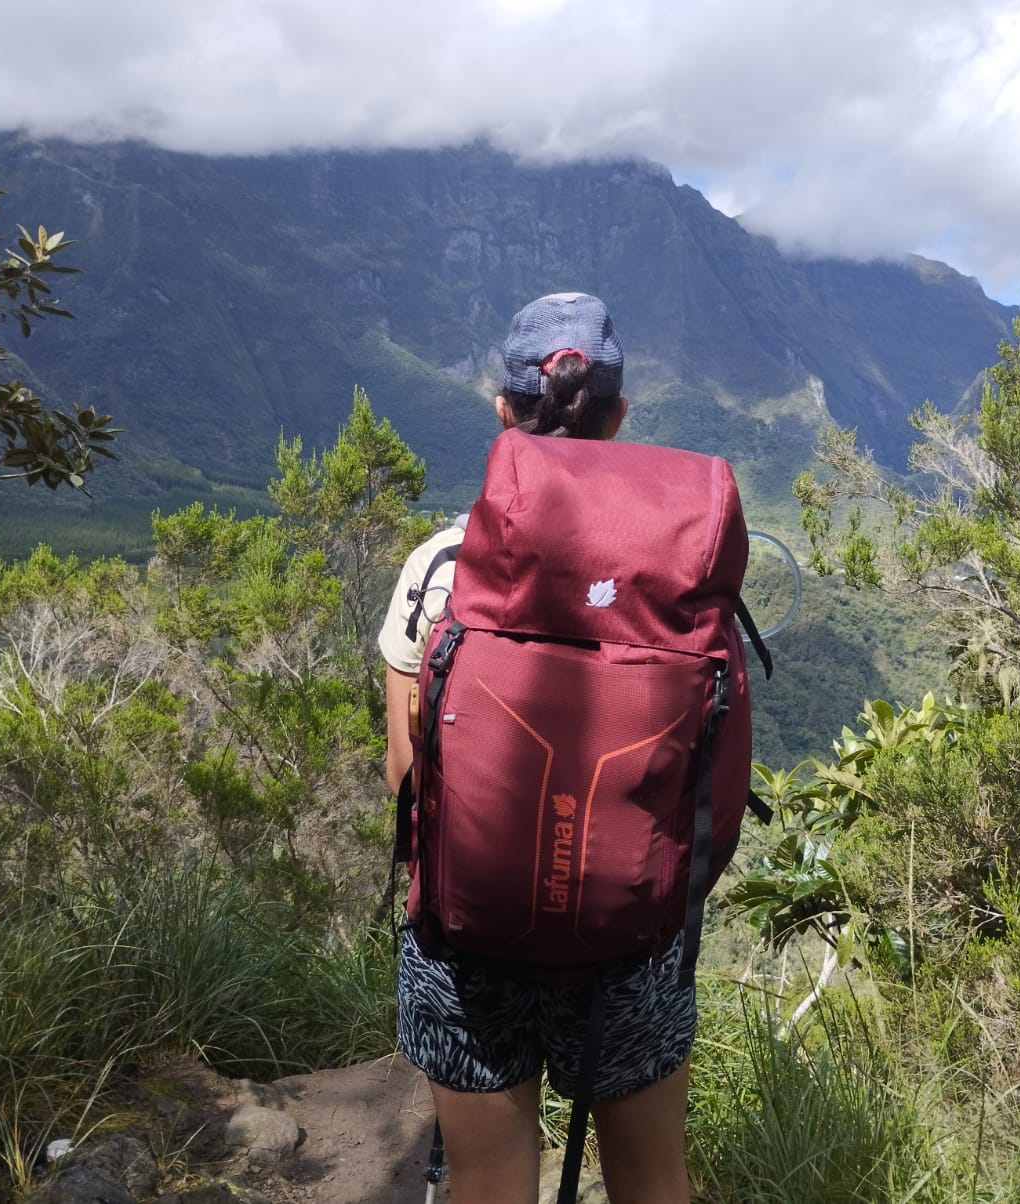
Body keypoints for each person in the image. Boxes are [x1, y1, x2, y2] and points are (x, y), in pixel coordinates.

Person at [378, 293, 694, 1204]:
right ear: (621, 416)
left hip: (466, 933)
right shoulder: (678, 573)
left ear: (502, 412)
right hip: (631, 936)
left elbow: (406, 775)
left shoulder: (443, 566)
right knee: (651, 1178)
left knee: (485, 1180)